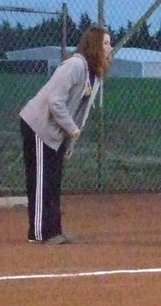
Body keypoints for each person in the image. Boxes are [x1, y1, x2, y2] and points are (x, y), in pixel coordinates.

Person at [19, 26, 111, 244]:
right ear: (95, 46)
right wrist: (71, 129)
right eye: (105, 43)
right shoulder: (75, 65)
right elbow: (54, 101)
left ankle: (54, 231)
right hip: (38, 125)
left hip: (57, 132)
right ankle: (39, 233)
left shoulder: (94, 75)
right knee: (41, 180)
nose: (110, 48)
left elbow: (82, 112)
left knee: (53, 181)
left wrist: (70, 143)